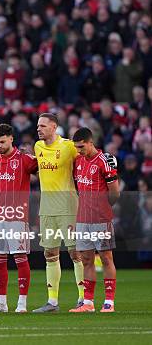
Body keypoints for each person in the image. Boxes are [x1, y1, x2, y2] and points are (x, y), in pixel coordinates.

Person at [32, 113, 83, 312]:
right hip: (47, 207)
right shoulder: (38, 147)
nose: (39, 129)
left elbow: (87, 157)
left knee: (75, 252)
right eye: (38, 126)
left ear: (54, 127)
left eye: (43, 126)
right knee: (50, 253)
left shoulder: (69, 146)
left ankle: (82, 299)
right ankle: (52, 302)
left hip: (68, 206)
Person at [0, 124, 37, 313]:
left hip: (17, 216)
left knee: (20, 258)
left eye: (2, 141)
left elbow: (42, 169)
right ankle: (1, 303)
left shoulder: (24, 159)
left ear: (11, 139)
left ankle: (22, 303)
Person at [69, 127, 119, 313]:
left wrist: (103, 208)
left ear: (91, 142)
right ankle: (88, 303)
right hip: (82, 218)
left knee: (106, 258)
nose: (79, 150)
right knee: (86, 260)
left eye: (81, 146)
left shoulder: (104, 161)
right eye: (76, 147)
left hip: (101, 218)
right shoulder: (78, 161)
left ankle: (109, 302)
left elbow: (115, 192)